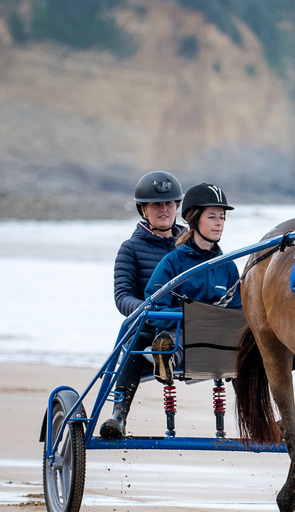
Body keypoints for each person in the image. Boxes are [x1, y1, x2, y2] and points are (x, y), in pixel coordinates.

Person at [100, 171, 185, 439]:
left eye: (170, 203)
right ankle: (118, 417)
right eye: (156, 205)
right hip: (150, 326)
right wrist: (146, 311)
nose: (164, 209)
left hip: (191, 326)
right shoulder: (130, 249)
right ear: (143, 209)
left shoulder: (193, 246)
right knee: (136, 343)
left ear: (177, 207)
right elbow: (122, 296)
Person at [144, 182, 242, 384]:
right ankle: (166, 359)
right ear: (194, 219)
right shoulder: (172, 262)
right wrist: (188, 315)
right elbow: (153, 306)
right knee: (174, 341)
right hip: (182, 333)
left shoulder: (228, 266)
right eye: (212, 217)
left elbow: (239, 307)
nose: (219, 223)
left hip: (218, 338)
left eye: (222, 217)